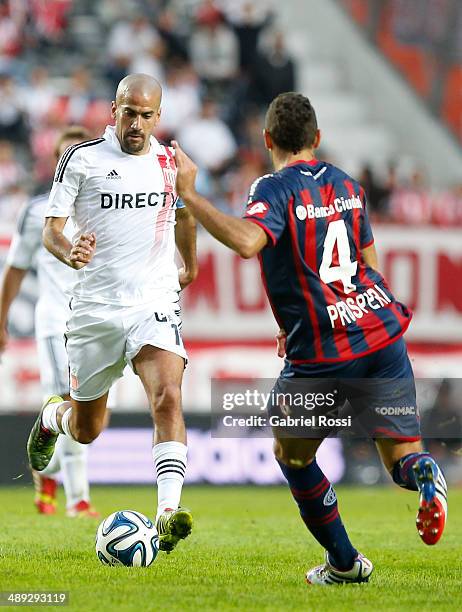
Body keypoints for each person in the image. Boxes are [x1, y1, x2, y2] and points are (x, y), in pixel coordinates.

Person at [171, 92, 448, 584]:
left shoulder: (272, 188)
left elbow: (246, 241)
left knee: (293, 455)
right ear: (317, 139)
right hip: (382, 334)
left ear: (267, 139)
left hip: (325, 353)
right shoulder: (347, 183)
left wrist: (191, 194)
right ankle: (426, 474)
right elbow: (369, 262)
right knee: (402, 458)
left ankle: (344, 563)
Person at [26, 74, 197, 552]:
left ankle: (167, 513)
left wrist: (192, 262)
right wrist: (68, 251)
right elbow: (51, 232)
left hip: (153, 302)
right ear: (113, 110)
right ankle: (51, 419)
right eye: (129, 113)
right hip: (96, 310)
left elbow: (185, 213)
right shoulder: (80, 160)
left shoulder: (170, 162)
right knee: (86, 430)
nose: (137, 124)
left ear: (158, 117)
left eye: (146, 116)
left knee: (167, 396)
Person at [0, 126, 100, 518]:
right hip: (54, 321)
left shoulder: (101, 207)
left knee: (92, 420)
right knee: (71, 403)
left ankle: (48, 471)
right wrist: (1, 318)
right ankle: (79, 500)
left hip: (94, 323)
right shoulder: (37, 210)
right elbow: (16, 267)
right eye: (65, 155)